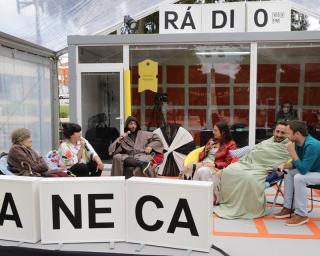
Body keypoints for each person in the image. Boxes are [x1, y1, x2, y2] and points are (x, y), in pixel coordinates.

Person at [214, 121, 291, 219]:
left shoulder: (289, 146)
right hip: (248, 163)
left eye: (282, 133)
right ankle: (226, 201)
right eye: (277, 131)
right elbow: (254, 150)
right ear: (274, 132)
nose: (279, 135)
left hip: (262, 169)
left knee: (248, 178)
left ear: (288, 134)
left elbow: (282, 162)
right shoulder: (268, 141)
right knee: (229, 171)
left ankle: (246, 208)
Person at [274, 120, 320, 226]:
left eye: (288, 133)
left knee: (299, 177)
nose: (285, 135)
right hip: (313, 171)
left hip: (317, 172)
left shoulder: (312, 145)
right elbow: (296, 164)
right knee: (288, 172)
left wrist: (292, 152)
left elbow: (303, 170)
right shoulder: (297, 143)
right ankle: (288, 207)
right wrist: (284, 165)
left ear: (297, 134)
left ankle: (301, 214)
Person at [179, 121, 237, 204]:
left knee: (203, 170)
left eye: (215, 130)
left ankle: (206, 198)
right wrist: (207, 149)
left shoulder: (231, 145)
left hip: (214, 167)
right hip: (203, 163)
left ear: (223, 132)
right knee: (186, 168)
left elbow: (229, 163)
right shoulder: (212, 141)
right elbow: (200, 157)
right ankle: (185, 194)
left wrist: (215, 164)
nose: (213, 132)